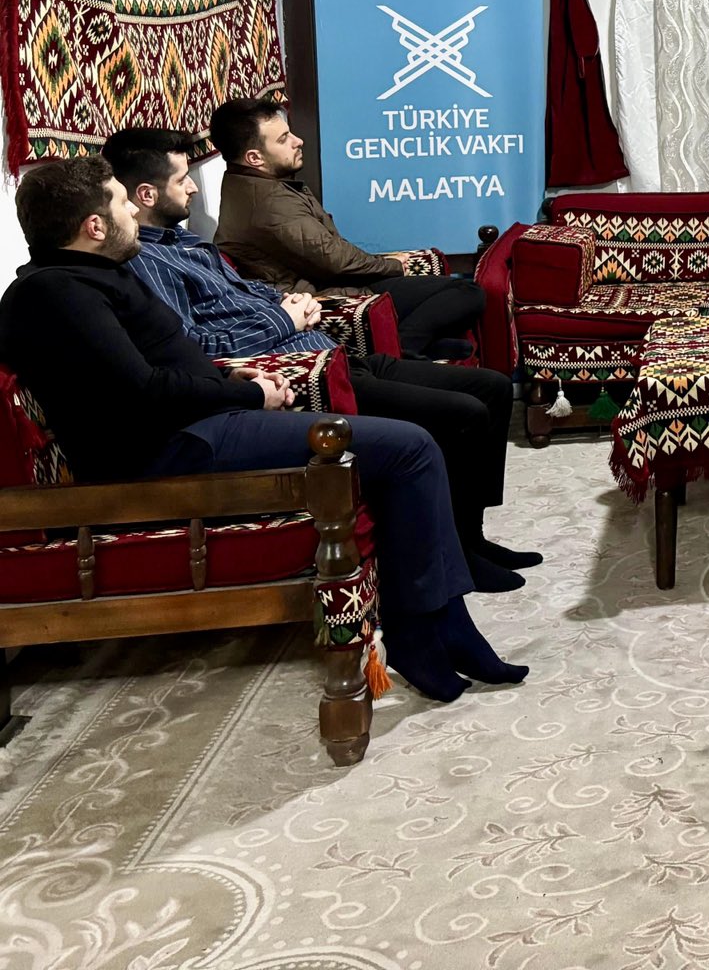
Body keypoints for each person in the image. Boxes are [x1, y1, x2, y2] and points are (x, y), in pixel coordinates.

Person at [0, 158, 525, 702]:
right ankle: (426, 634)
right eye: (120, 202)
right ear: (94, 226)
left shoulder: (84, 277)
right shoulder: (57, 293)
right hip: (174, 450)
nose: (133, 210)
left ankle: (442, 624)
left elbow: (144, 371)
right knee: (410, 448)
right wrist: (250, 395)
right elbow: (144, 392)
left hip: (201, 424)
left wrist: (230, 378)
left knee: (406, 446)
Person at [105, 128, 538, 593]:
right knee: (463, 413)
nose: (193, 187)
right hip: (306, 378)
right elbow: (198, 347)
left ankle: (472, 535)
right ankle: (459, 552)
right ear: (146, 194)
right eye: (181, 180)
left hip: (331, 353)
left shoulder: (185, 242)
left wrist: (291, 304)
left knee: (492, 387)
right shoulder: (146, 262)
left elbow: (249, 294)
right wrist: (284, 320)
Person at [210, 99, 485, 359]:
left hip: (328, 282)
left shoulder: (248, 184)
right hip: (325, 297)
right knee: (467, 293)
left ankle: (420, 348)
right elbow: (335, 259)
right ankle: (396, 354)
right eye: (283, 139)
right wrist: (392, 266)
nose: (298, 141)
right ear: (254, 158)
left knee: (452, 324)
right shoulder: (269, 203)